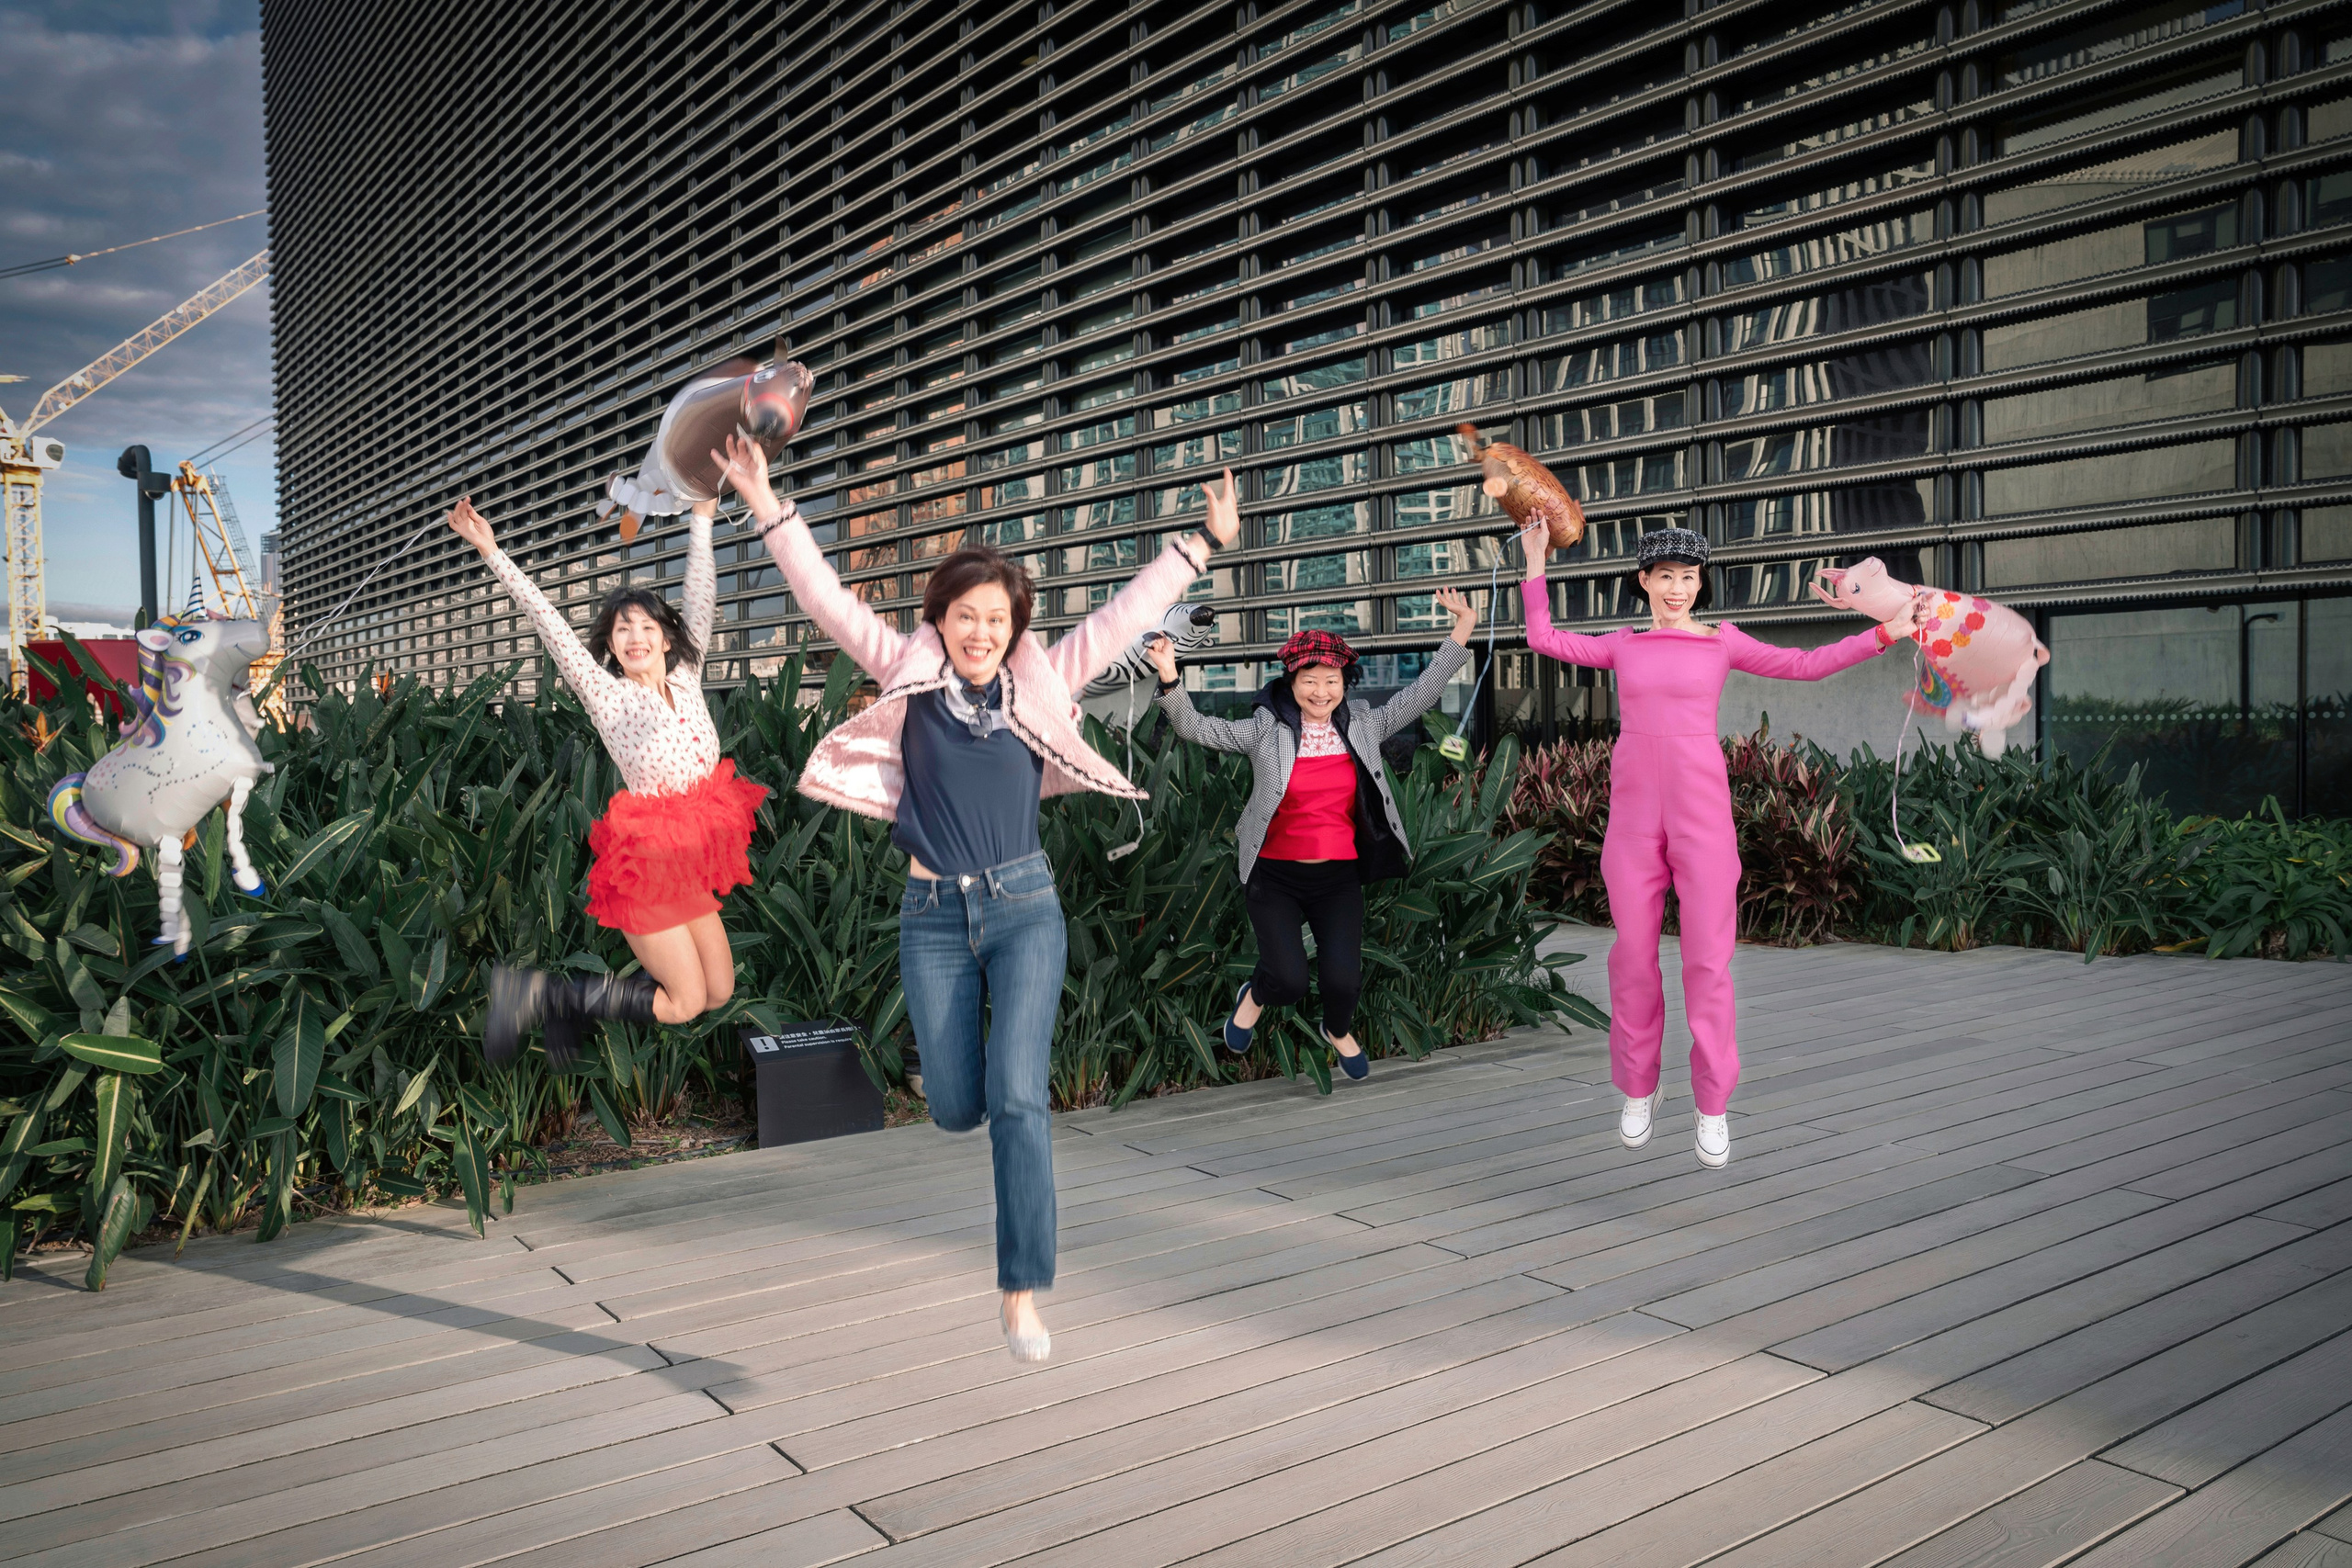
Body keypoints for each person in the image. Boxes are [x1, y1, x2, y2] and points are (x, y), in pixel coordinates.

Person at [715, 433, 1240, 1363]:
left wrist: (1199, 546)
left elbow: (1120, 619)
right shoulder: (904, 675)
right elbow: (825, 600)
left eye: (996, 616)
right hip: (932, 922)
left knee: (1018, 1097)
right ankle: (962, 1110)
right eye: (964, 614)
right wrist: (768, 507)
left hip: (1026, 909)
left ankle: (1022, 1292)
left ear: (1015, 625)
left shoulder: (1042, 680)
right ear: (941, 619)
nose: (980, 629)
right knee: (957, 1105)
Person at [1519, 525, 1928, 1168]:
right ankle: (1638, 1086)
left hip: (1702, 820)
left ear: (1699, 582)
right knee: (1631, 957)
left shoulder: (1722, 642)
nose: (1678, 589)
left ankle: (1712, 1104)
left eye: (1688, 577)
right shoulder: (1624, 645)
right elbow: (1542, 638)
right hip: (1631, 824)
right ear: (1644, 582)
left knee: (1707, 965)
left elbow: (1805, 664)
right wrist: (1536, 562)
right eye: (1665, 576)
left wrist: (1884, 634)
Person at [448, 493, 768, 1067]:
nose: (635, 635)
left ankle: (553, 1000)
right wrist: (491, 551)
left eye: (646, 625)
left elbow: (700, 593)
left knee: (720, 991)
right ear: (613, 648)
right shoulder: (609, 696)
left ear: (667, 639)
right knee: (685, 1001)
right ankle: (548, 997)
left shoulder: (689, 679)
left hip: (690, 862)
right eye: (622, 630)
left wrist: (700, 517)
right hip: (648, 864)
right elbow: (548, 625)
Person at [1147, 592, 1478, 1079]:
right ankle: (1255, 994)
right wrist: (1170, 674)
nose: (1321, 692)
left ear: (1345, 682)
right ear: (1292, 682)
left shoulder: (1363, 724)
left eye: (1331, 681)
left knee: (1344, 984)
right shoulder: (1267, 729)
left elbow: (1420, 694)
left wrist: (1464, 626)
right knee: (1288, 979)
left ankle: (1337, 1029)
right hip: (1275, 876)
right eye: (1310, 681)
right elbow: (1199, 729)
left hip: (1338, 878)